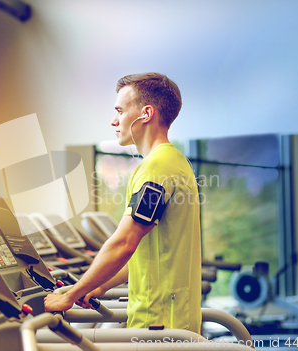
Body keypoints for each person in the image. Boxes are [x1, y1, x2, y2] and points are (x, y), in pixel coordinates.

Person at [44, 72, 201, 333]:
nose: (114, 120)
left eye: (120, 110)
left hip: (160, 322)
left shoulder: (157, 168)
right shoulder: (174, 161)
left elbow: (124, 243)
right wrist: (98, 285)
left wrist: (69, 296)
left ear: (146, 113)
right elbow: (146, 255)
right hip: (171, 315)